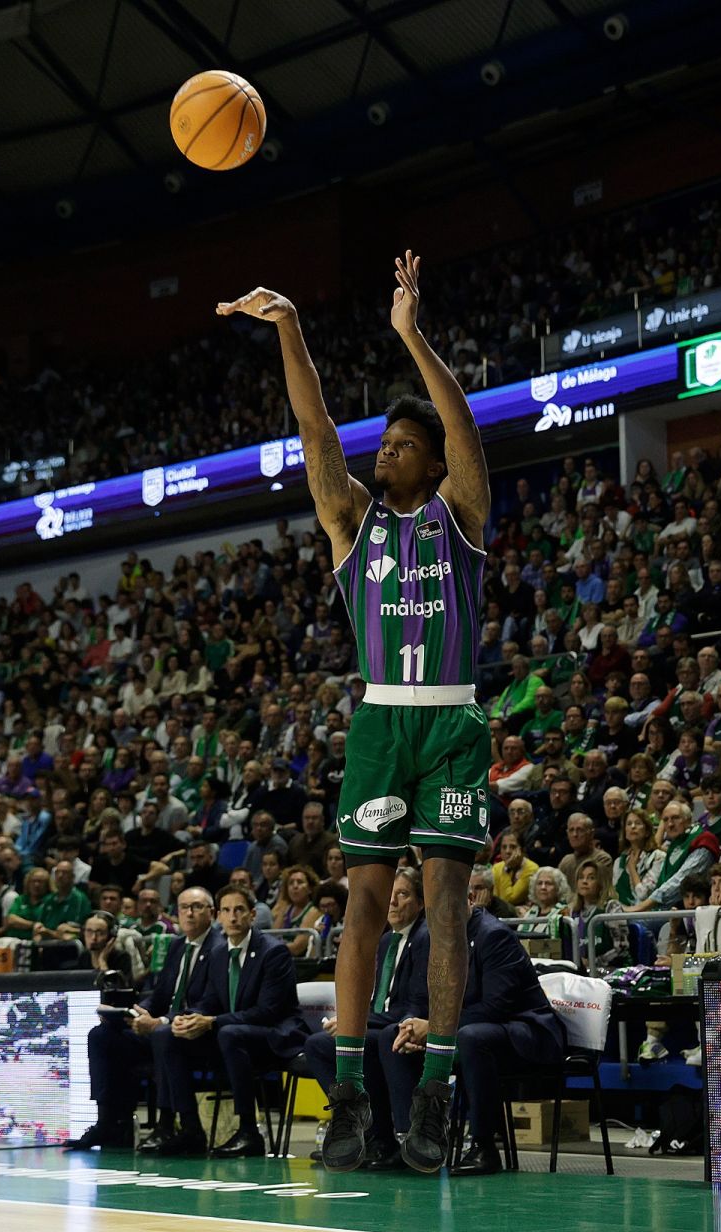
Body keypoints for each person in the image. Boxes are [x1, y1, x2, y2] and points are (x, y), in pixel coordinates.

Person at [220, 250, 492, 1174]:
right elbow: (315, 425)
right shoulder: (351, 520)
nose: (388, 453)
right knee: (364, 904)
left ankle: (438, 1095)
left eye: (403, 447)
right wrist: (292, 326)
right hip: (380, 723)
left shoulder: (460, 515)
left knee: (448, 901)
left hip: (451, 722)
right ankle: (346, 1100)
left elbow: (462, 430)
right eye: (386, 446)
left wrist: (411, 337)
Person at [380, 905, 565, 1176]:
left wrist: (433, 1027)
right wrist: (410, 1024)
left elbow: (496, 1006)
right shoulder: (433, 938)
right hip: (464, 1029)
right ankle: (414, 1139)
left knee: (472, 1038)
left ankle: (484, 1146)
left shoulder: (494, 935)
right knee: (391, 1035)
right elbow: (417, 997)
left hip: (521, 1031)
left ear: (467, 898)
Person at [72, 886, 221, 1154]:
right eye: (184, 907)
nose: (189, 913)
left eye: (196, 907)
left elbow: (210, 1002)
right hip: (165, 1029)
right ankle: (108, 1122)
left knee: (163, 1034)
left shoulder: (219, 947)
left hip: (197, 1034)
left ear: (212, 912)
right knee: (102, 1034)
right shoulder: (177, 945)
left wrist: (161, 1020)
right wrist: (137, 1010)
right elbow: (161, 994)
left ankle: (176, 1127)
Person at [169, 885, 311, 1157]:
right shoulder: (219, 954)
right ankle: (188, 1128)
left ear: (252, 915)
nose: (232, 917)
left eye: (239, 910)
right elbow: (209, 1001)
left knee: (229, 1034)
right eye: (226, 910)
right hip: (232, 1035)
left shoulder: (274, 952)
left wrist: (211, 1021)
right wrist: (185, 1019)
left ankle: (249, 1131)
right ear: (218, 916)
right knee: (169, 1036)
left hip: (274, 1036)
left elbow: (268, 1011)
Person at [301, 869, 428, 1169]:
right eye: (390, 895)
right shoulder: (386, 941)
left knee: (374, 1040)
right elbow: (376, 1000)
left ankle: (391, 1137)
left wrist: (360, 1023)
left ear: (421, 903)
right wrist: (350, 1022)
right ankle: (359, 1128)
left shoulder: (426, 938)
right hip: (384, 1026)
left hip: (409, 1029)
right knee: (319, 1044)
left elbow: (416, 1005)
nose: (393, 902)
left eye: (403, 894)